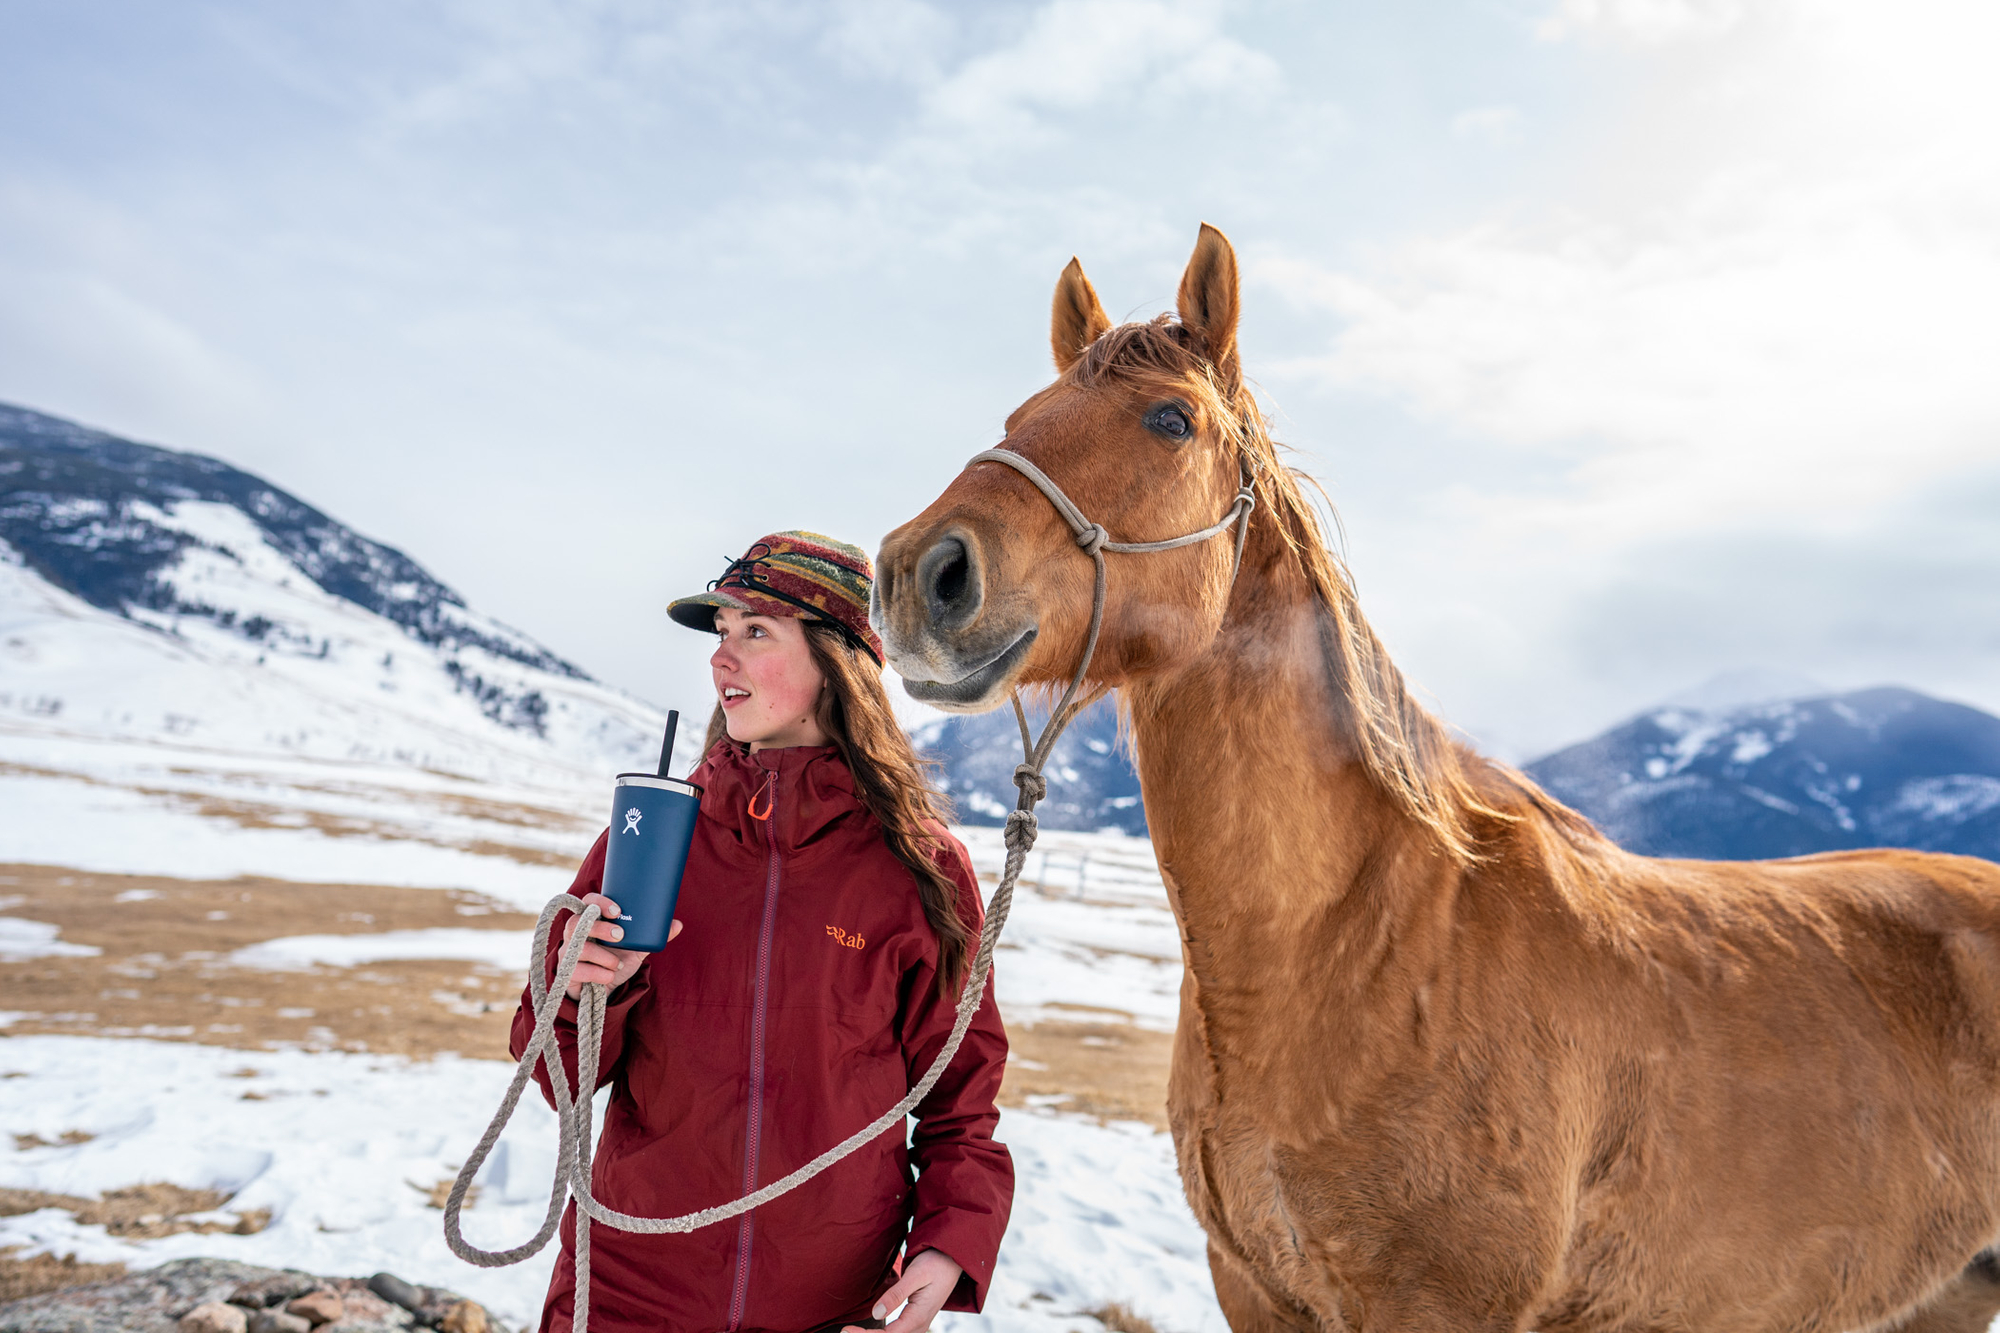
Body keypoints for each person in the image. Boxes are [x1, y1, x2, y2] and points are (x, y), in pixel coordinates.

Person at [510, 531, 1013, 1333]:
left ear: (837, 661)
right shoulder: (651, 840)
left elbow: (960, 1101)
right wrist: (578, 989)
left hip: (832, 1299)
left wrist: (950, 1245)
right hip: (632, 1289)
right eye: (721, 634)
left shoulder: (921, 866)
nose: (721, 659)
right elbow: (558, 1080)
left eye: (755, 632)